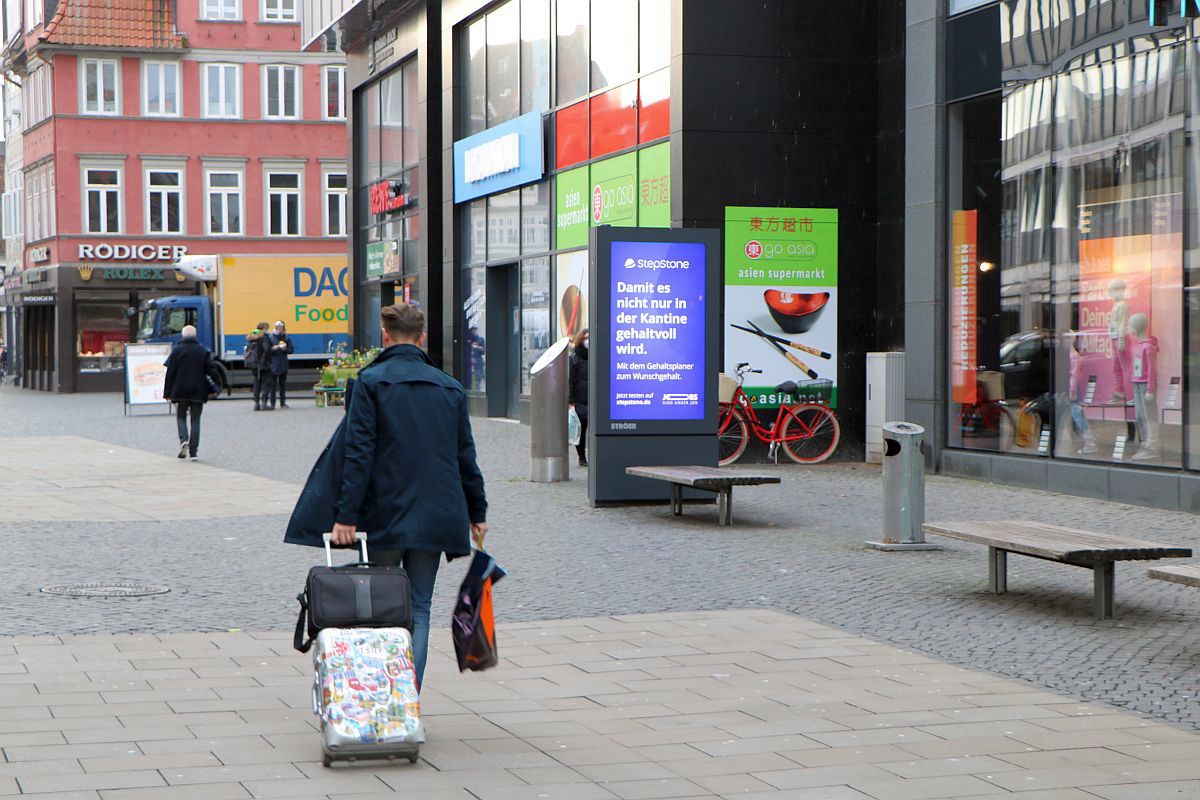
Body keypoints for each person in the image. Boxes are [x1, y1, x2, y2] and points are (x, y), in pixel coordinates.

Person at [288, 303, 487, 693]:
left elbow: (358, 454)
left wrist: (346, 516)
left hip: (384, 513)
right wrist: (477, 512)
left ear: (384, 335)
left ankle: (384, 698)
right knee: (420, 608)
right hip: (436, 513)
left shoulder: (371, 382)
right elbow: (465, 456)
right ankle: (409, 699)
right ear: (422, 337)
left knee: (382, 608)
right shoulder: (449, 387)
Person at [163, 324, 223, 461]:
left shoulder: (176, 350)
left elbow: (170, 373)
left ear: (182, 336)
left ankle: (184, 440)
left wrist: (167, 392)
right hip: (198, 390)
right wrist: (219, 385)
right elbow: (212, 370)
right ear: (195, 336)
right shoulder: (202, 350)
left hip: (180, 390)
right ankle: (194, 452)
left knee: (181, 417)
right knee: (195, 420)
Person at [568, 328, 589, 467]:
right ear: (581, 339)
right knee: (581, 429)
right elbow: (571, 380)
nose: (588, 341)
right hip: (580, 400)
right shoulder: (575, 358)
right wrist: (570, 400)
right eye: (586, 338)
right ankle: (582, 457)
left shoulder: (596, 356)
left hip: (593, 400)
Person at [267, 321, 293, 409]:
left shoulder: (286, 337)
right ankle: (272, 404)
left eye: (280, 328)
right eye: (277, 328)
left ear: (283, 328)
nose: (279, 330)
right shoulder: (271, 338)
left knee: (283, 385)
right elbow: (267, 351)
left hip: (283, 364)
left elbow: (291, 350)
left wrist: (285, 349)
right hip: (273, 364)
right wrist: (273, 348)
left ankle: (283, 403)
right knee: (272, 386)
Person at [246, 322, 270, 411]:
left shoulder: (251, 338)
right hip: (264, 365)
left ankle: (256, 403)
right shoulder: (264, 338)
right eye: (266, 328)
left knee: (256, 383)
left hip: (254, 365)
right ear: (263, 329)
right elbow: (267, 350)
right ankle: (264, 403)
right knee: (265, 384)